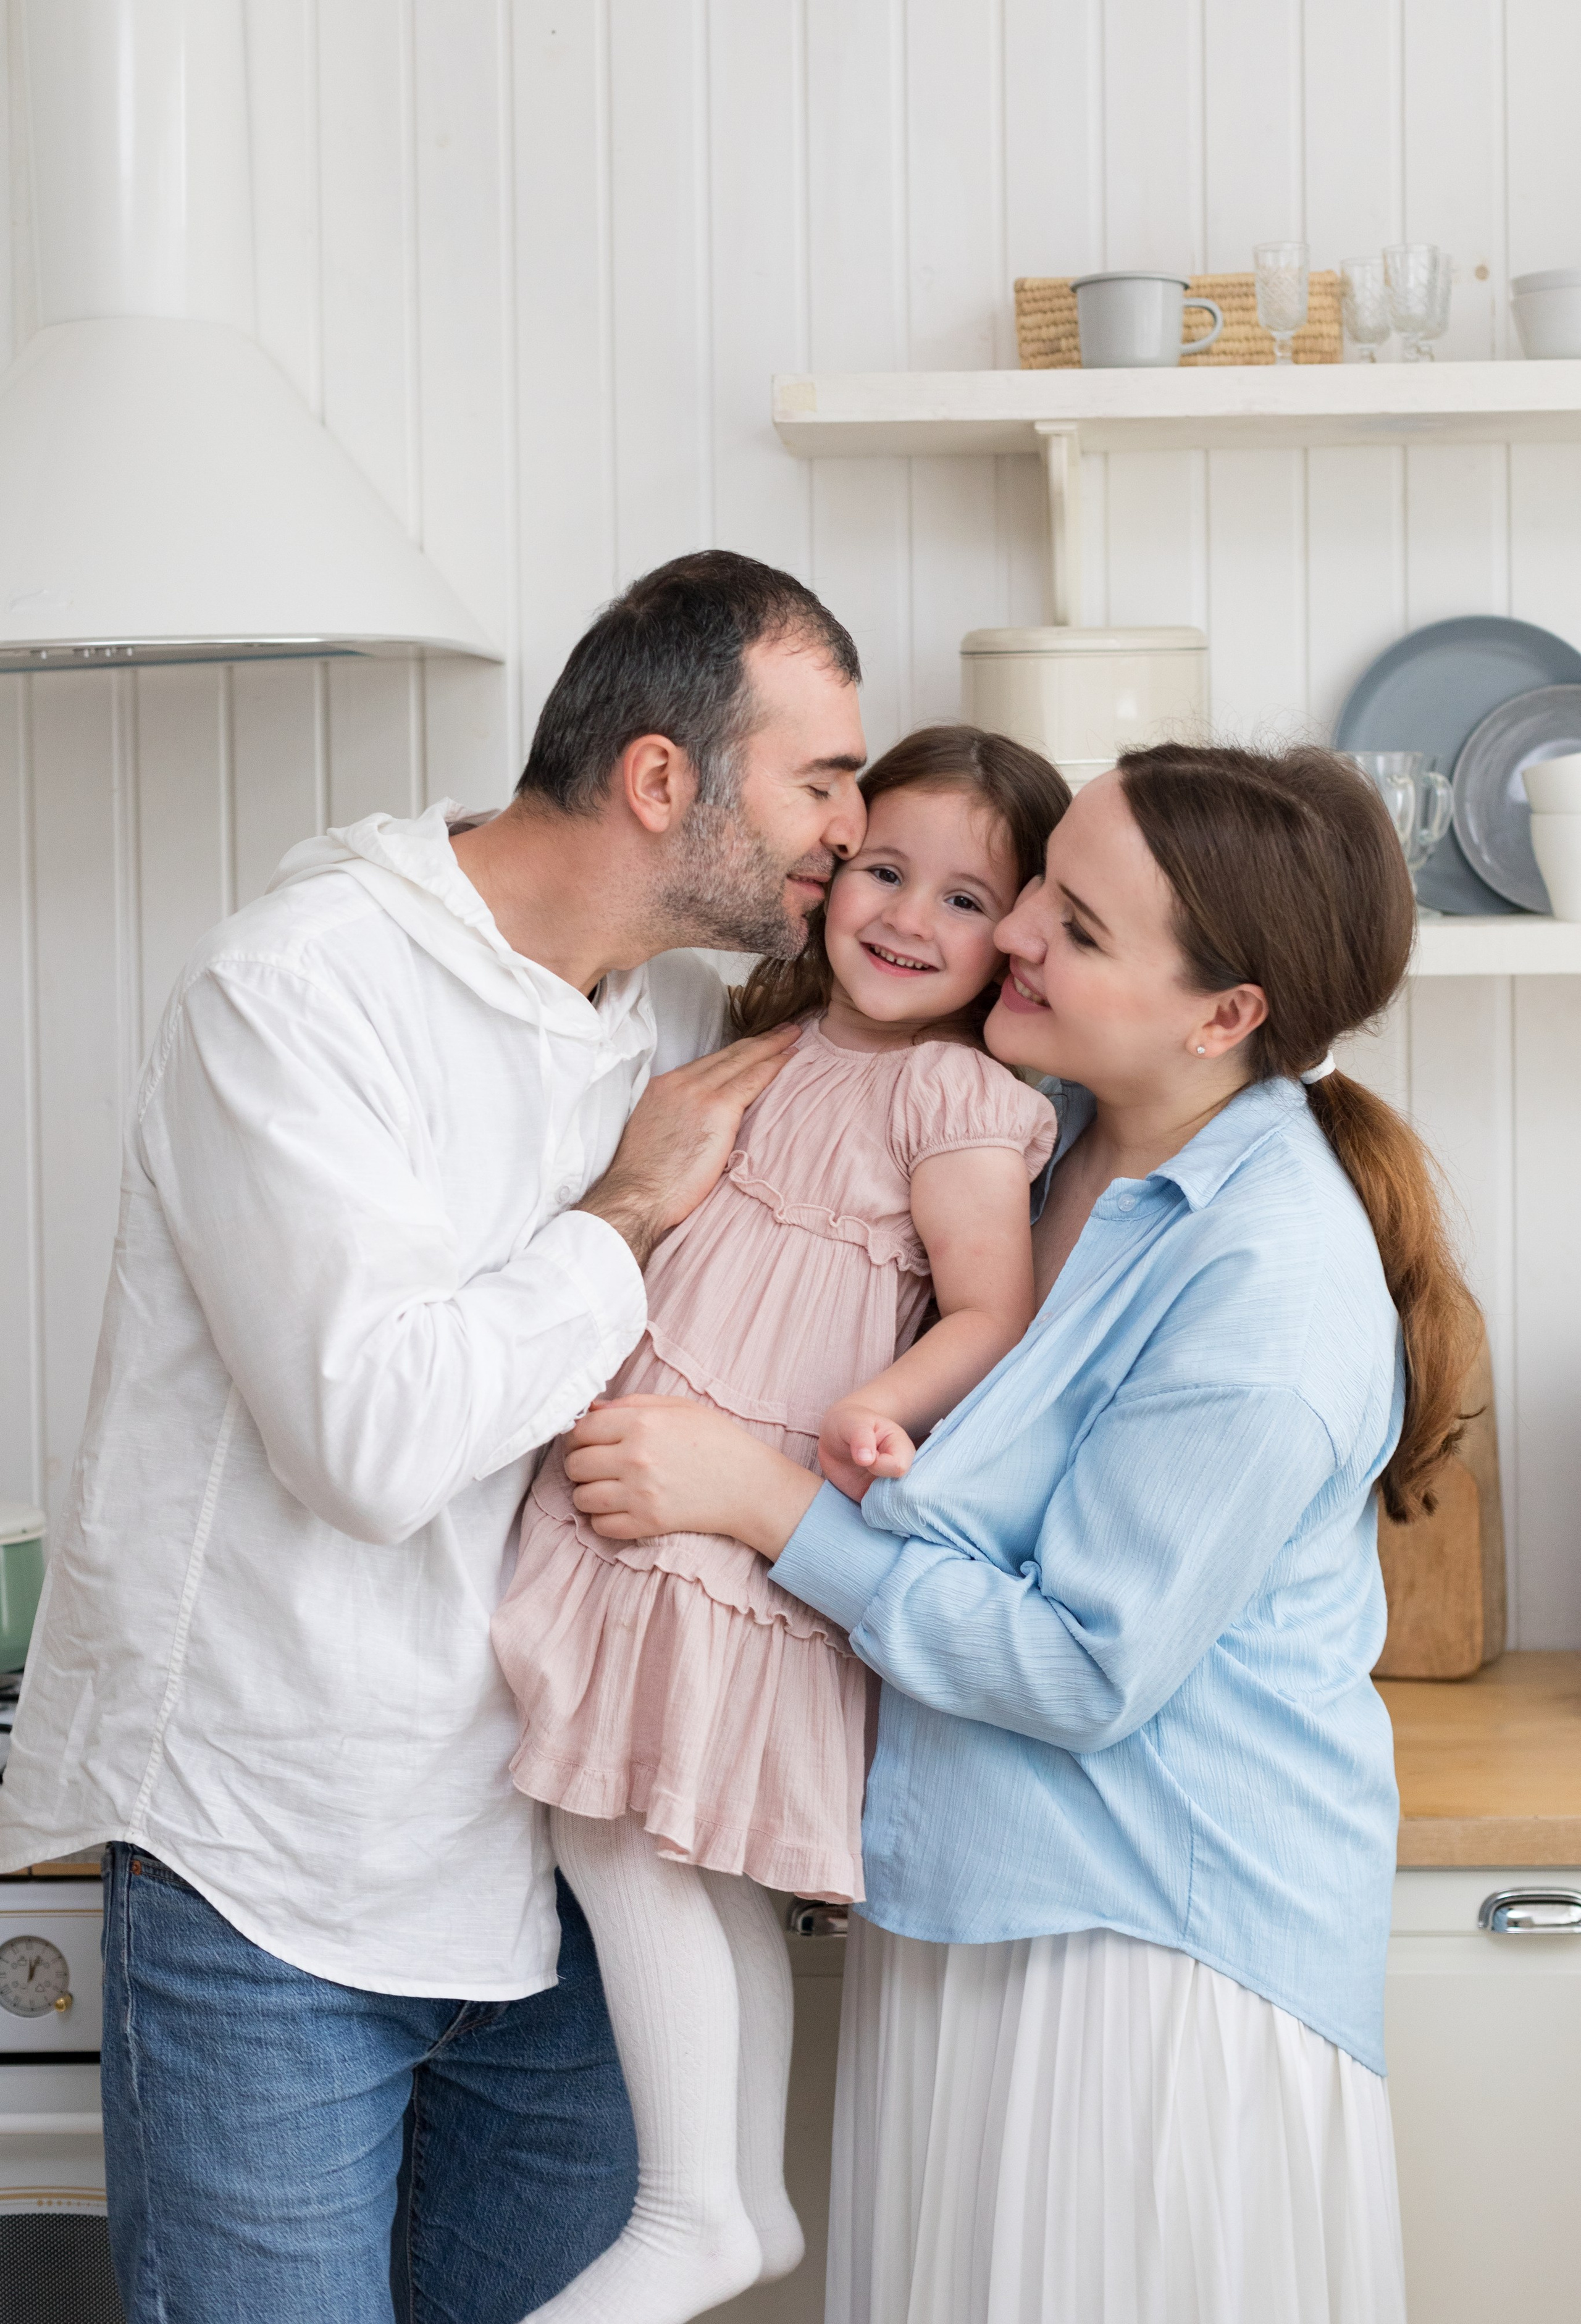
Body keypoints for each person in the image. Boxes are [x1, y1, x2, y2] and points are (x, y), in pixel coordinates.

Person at [0, 550, 868, 2323]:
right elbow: (372, 1443)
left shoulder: (669, 1013)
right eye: (822, 783)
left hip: (564, 1882)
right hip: (284, 1876)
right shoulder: (299, 989)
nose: (846, 834)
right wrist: (621, 1216)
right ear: (661, 779)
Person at [560, 741, 1482, 2324]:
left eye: (1081, 925)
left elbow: (1080, 1666)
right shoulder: (1043, 1137)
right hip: (975, 1906)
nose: (1019, 931)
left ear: (1223, 1016)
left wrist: (764, 1504)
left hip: (1147, 1964)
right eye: (1044, 885)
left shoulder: (1269, 1291)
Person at [493, 726, 1069, 2324]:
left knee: (615, 1819)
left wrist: (881, 1400)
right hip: (671, 1459)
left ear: (1013, 937)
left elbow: (994, 1310)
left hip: (741, 1493)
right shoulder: (774, 1039)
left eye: (964, 899)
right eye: (883, 869)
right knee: (679, 1841)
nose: (907, 917)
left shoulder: (954, 1093)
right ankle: (738, 2197)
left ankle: (691, 2205)